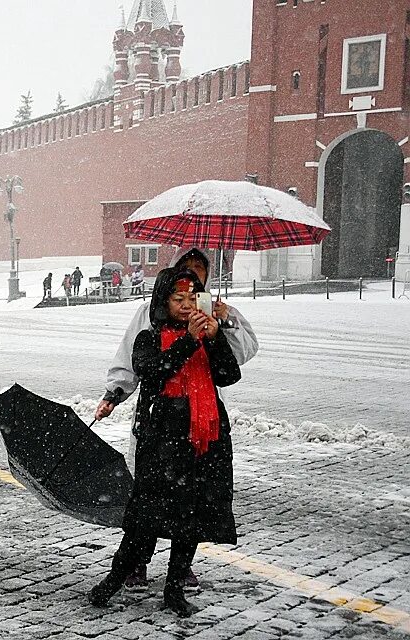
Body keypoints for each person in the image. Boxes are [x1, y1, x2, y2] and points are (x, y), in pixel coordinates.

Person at [94, 247, 258, 591]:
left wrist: (220, 327)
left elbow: (236, 362)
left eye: (199, 274)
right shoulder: (149, 323)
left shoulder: (215, 312)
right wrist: (115, 393)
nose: (189, 293)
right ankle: (134, 565)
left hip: (203, 424)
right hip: (161, 425)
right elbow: (142, 364)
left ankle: (178, 574)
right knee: (149, 501)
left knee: (192, 504)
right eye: (186, 272)